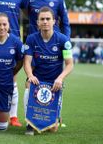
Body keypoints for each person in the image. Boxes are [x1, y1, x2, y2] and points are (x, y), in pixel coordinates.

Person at [23, 7, 73, 135]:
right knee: (28, 85)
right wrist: (30, 75)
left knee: (52, 129)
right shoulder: (31, 39)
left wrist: (60, 78)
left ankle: (56, 117)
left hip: (54, 84)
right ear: (37, 23)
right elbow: (27, 62)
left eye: (48, 19)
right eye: (42, 19)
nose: (45, 21)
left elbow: (69, 64)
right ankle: (30, 123)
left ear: (54, 21)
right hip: (37, 81)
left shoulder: (63, 40)